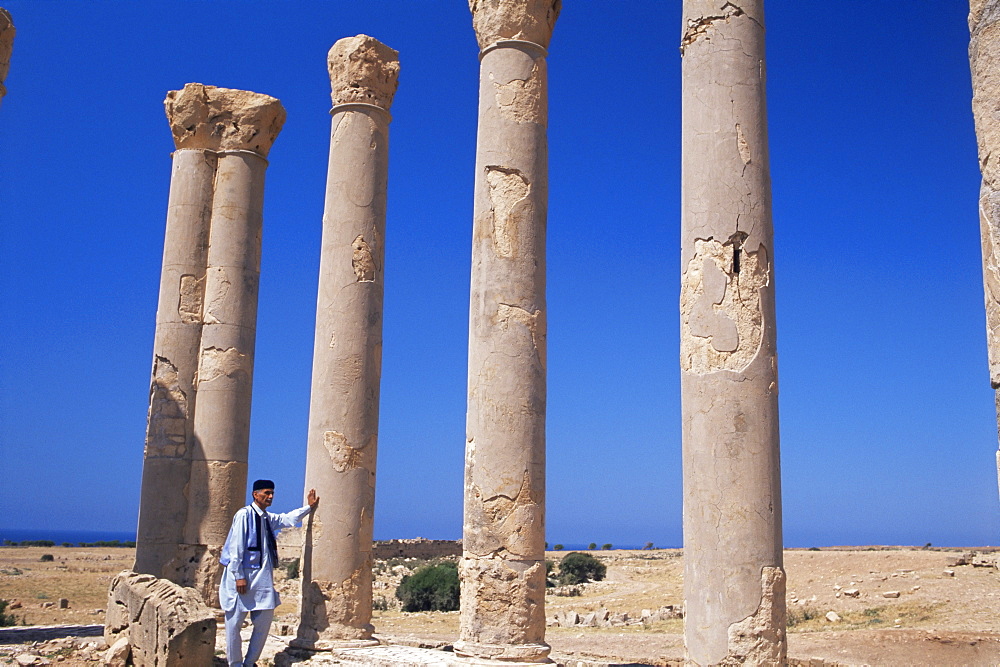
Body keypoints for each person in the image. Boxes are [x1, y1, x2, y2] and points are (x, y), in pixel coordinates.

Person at [219, 479, 319, 667]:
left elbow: (286, 519)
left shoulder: (266, 518)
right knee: (233, 625)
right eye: (266, 493)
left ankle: (250, 663)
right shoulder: (244, 515)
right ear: (255, 494)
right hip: (242, 577)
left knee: (264, 622)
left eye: (272, 493)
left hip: (262, 580)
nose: (270, 497)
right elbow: (236, 548)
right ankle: (235, 664)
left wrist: (308, 507)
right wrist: (239, 576)